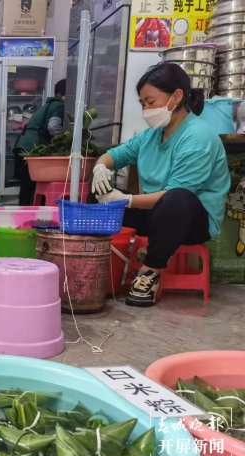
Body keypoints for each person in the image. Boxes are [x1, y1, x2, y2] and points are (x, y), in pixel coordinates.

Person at [92, 63, 230, 307]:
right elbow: (116, 155)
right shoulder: (150, 136)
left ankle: (149, 272)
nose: (146, 109)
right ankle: (97, 268)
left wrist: (126, 200)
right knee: (96, 198)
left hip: (191, 221)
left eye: (151, 101)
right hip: (153, 212)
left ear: (176, 97)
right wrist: (101, 168)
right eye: (142, 103)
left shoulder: (197, 138)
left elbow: (176, 194)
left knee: (177, 199)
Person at [13, 79, 66, 205]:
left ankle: (25, 214)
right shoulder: (60, 106)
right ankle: (27, 215)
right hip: (32, 147)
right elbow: (53, 127)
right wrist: (64, 140)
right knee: (29, 185)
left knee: (27, 186)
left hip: (23, 144)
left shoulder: (49, 104)